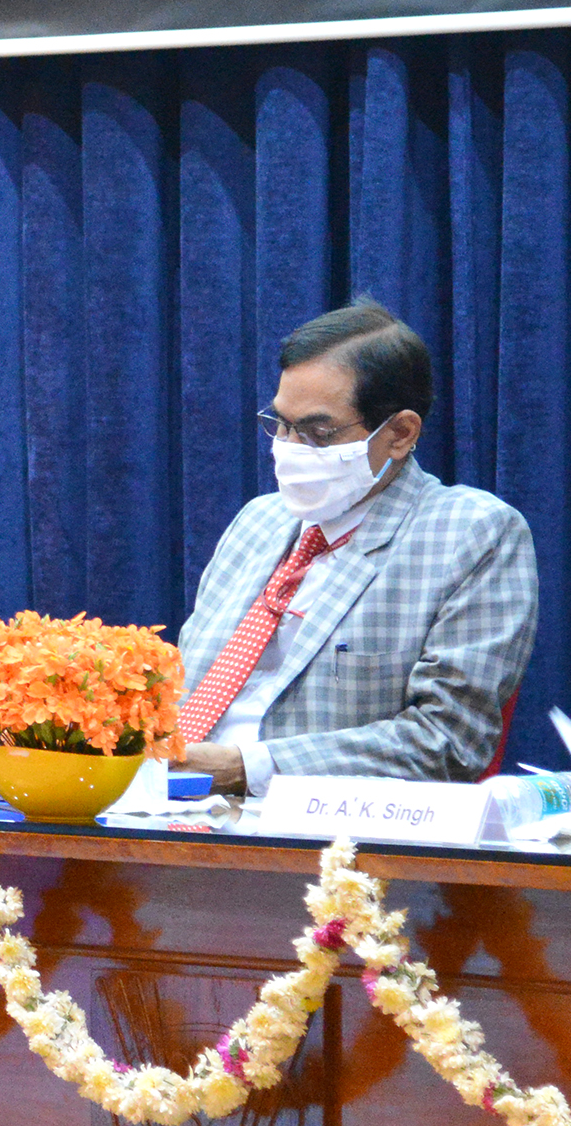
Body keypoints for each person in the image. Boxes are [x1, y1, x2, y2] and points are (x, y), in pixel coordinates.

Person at [170, 299, 536, 795]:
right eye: (280, 423)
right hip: (163, 808)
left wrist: (246, 768)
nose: (289, 447)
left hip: (311, 835)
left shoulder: (471, 533)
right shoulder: (258, 520)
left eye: (318, 432)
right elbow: (178, 691)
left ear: (401, 433)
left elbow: (448, 742)